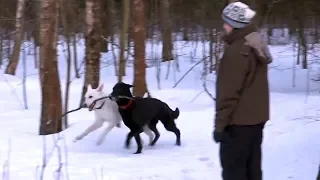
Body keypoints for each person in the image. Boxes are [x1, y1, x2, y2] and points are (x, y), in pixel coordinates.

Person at [213, 2, 273, 180]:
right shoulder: (255, 44)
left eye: (227, 22)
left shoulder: (237, 51)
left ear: (236, 24)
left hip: (237, 125)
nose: (224, 26)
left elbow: (228, 94)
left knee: (235, 173)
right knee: (252, 171)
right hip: (255, 122)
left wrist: (220, 126)